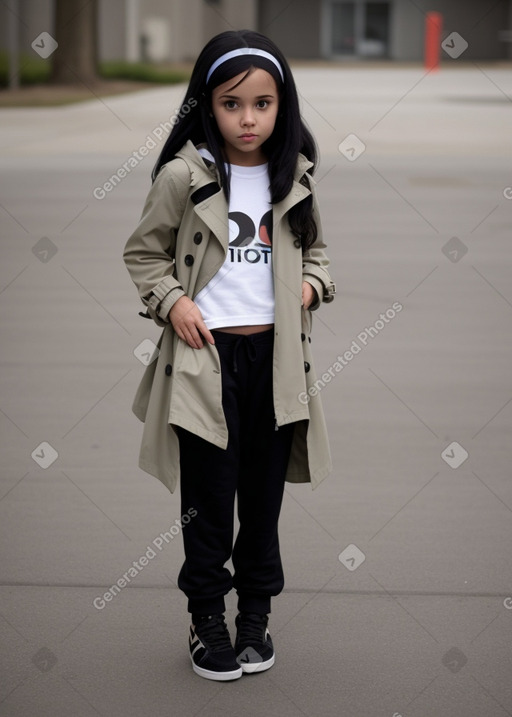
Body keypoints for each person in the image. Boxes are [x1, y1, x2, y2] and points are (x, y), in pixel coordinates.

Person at [123, 29, 336, 682]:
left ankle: (255, 617)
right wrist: (172, 303)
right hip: (204, 362)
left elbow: (320, 253)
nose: (248, 119)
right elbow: (144, 253)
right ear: (206, 107)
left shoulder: (292, 178)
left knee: (262, 501)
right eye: (232, 103)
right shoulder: (185, 177)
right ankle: (207, 617)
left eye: (263, 104)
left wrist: (309, 284)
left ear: (283, 107)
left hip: (275, 365)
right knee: (210, 500)